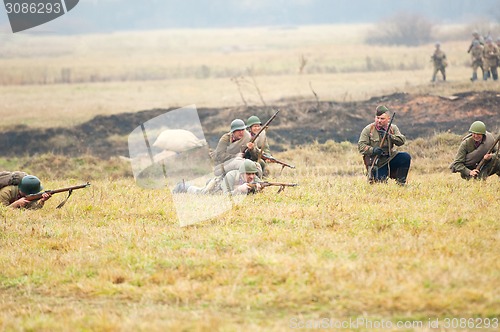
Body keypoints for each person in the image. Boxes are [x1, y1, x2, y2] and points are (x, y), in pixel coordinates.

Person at [358, 105, 412, 185]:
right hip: (377, 162)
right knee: (380, 184)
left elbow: (402, 141)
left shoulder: (393, 128)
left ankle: (401, 183)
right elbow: (361, 146)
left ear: (388, 119)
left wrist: (390, 136)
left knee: (405, 157)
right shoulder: (369, 129)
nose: (379, 120)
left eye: (382, 119)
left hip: (390, 158)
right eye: (377, 118)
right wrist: (373, 150)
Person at [174, 159, 263, 195]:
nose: (251, 176)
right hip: (217, 187)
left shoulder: (253, 177)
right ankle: (182, 186)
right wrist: (239, 189)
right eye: (248, 174)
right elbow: (226, 195)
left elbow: (260, 184)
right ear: (241, 173)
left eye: (253, 173)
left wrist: (258, 187)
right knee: (201, 193)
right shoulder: (231, 175)